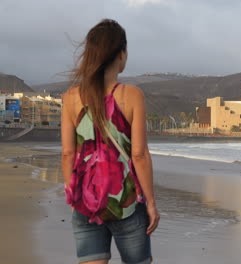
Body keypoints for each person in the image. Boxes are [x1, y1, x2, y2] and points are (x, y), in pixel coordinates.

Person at [61, 19, 160, 264]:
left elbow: (67, 153)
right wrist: (151, 203)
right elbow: (139, 155)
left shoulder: (71, 98)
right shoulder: (132, 95)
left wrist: (73, 196)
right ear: (121, 54)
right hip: (125, 202)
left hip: (86, 202)